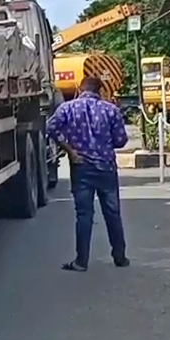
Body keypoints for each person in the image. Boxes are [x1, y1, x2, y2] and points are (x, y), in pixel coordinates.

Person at [45, 75, 130, 272]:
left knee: (84, 215)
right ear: (99, 91)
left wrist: (70, 151)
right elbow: (121, 140)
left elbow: (51, 128)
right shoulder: (111, 110)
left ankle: (81, 261)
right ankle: (119, 256)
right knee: (113, 213)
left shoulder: (67, 108)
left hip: (81, 167)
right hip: (106, 167)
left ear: (80, 89)